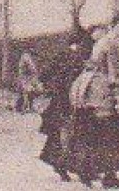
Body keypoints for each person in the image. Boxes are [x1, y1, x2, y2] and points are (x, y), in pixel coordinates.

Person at [67, 17, 119, 188]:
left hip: (89, 88)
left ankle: (88, 170)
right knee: (109, 132)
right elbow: (115, 74)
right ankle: (108, 175)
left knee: (95, 131)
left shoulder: (102, 42)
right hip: (102, 91)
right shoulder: (114, 44)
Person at [38, 31, 90, 181]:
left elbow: (44, 75)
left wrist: (52, 88)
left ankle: (61, 165)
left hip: (61, 99)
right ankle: (66, 165)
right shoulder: (77, 57)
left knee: (59, 133)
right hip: (69, 100)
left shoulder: (63, 55)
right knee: (70, 133)